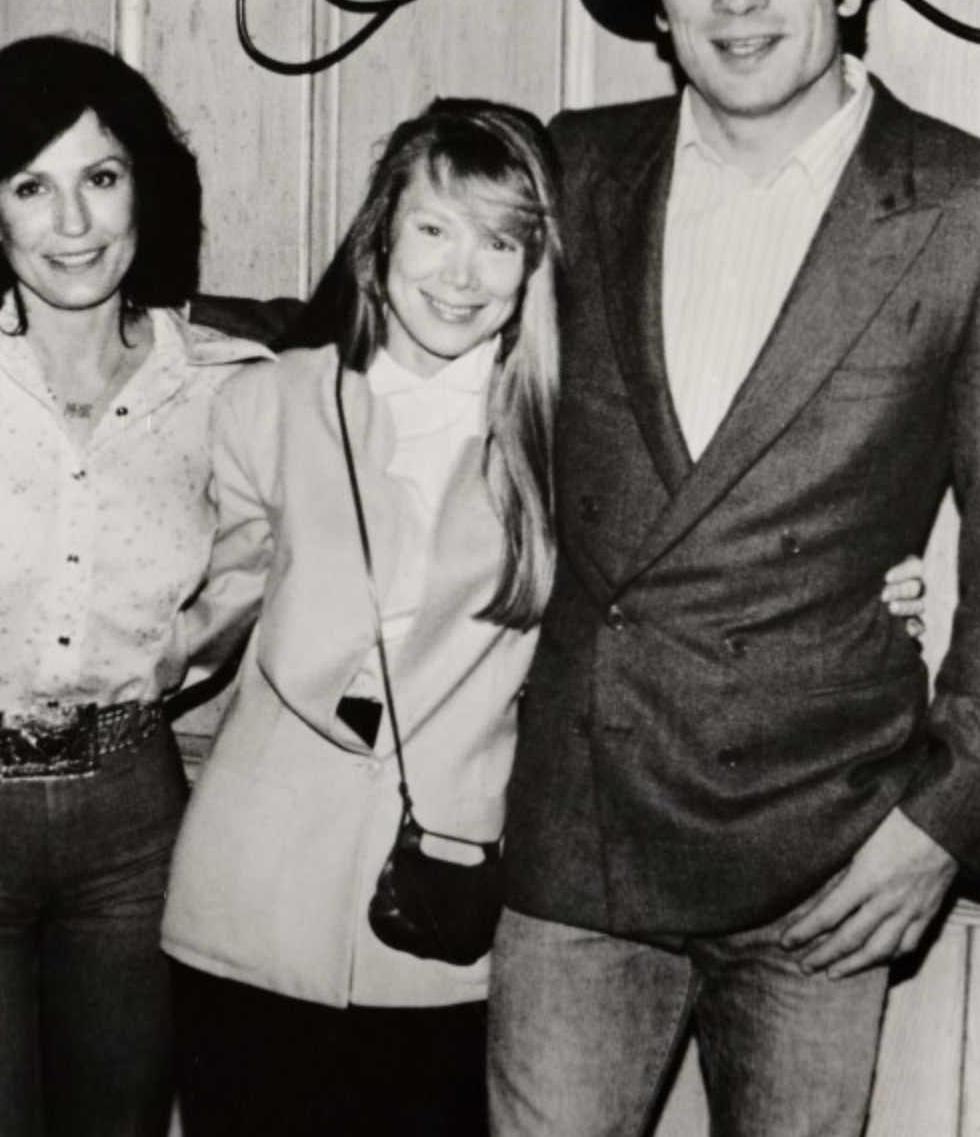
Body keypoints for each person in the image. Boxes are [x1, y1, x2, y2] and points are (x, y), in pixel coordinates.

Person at [488, 0, 980, 1133]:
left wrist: (947, 817)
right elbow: (400, 354)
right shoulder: (574, 168)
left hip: (827, 848)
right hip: (581, 834)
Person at [162, 98, 926, 1137]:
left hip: (440, 911)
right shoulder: (267, 404)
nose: (460, 273)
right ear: (380, 234)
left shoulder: (570, 444)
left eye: (501, 241)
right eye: (433, 229)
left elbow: (714, 548)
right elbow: (196, 597)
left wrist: (878, 584)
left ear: (536, 267)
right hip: (251, 894)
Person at [0, 34, 273, 1137]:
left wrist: (193, 642)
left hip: (134, 824)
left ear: (143, 192)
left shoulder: (229, 390)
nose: (73, 225)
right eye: (33, 186)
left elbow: (272, 563)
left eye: (101, 179)